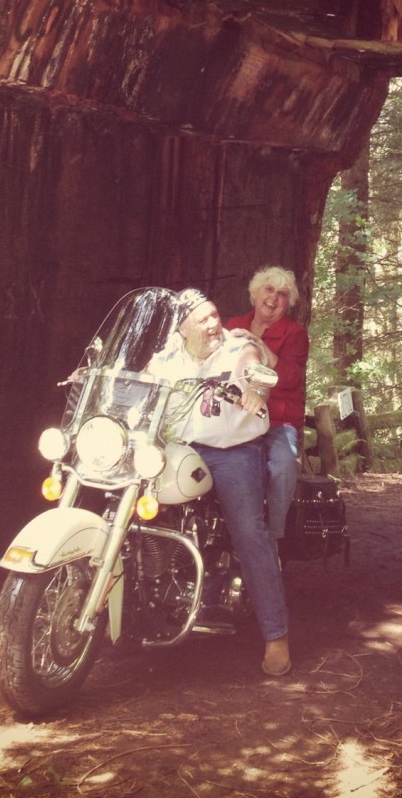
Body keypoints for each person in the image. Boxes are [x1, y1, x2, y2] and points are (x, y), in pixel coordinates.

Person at [147, 288, 291, 676]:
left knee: (248, 532)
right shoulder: (168, 357)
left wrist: (254, 390)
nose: (214, 324)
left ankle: (276, 636)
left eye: (215, 314)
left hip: (233, 450)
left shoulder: (236, 344)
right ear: (182, 329)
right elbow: (141, 381)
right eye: (203, 319)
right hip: (179, 449)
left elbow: (251, 367)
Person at [226, 267, 310, 542]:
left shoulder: (294, 334)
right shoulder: (233, 325)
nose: (273, 298)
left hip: (277, 422)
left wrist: (260, 348)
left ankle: (273, 537)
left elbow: (290, 378)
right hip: (234, 416)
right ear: (255, 293)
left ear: (289, 303)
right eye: (268, 289)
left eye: (282, 295)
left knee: (284, 464)